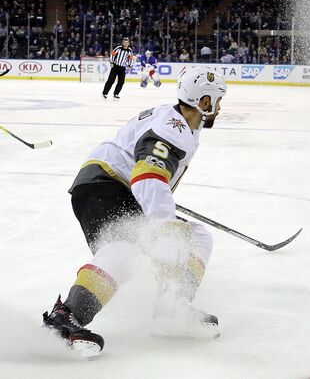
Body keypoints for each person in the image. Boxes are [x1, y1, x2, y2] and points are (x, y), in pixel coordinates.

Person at [42, 66, 228, 356]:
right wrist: (164, 221)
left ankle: (171, 308)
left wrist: (160, 209)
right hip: (103, 185)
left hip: (121, 188)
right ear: (204, 102)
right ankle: (64, 319)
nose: (218, 107)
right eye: (216, 100)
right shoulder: (172, 129)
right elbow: (148, 176)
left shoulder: (178, 121)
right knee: (126, 246)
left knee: (197, 236)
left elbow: (148, 175)